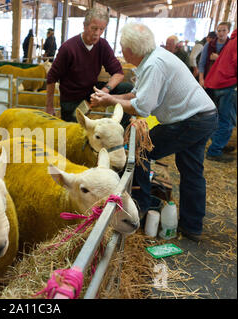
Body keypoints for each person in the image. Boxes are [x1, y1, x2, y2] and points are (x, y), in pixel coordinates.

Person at [90, 22, 218, 242]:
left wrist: (109, 100)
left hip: (191, 120)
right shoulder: (152, 59)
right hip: (202, 116)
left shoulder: (154, 64)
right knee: (191, 171)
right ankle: (191, 226)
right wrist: (108, 99)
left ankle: (140, 206)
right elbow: (136, 96)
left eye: (122, 46)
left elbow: (142, 107)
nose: (120, 50)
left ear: (132, 49)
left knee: (140, 149)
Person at [45, 7, 130, 122]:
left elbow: (118, 73)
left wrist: (104, 91)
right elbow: (51, 78)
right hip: (72, 99)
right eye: (94, 28)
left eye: (101, 29)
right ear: (84, 26)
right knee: (76, 131)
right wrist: (49, 106)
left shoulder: (102, 45)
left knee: (128, 89)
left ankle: (122, 130)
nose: (97, 33)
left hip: (92, 91)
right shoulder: (68, 48)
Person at [205, 28, 237, 163]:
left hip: (218, 83)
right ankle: (215, 150)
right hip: (228, 84)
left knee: (221, 118)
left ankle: (219, 143)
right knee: (227, 120)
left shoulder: (233, 40)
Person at [199, 22, 231, 89]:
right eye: (219, 31)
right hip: (207, 80)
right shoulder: (209, 44)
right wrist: (201, 79)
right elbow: (202, 63)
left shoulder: (231, 46)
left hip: (223, 83)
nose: (221, 33)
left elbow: (231, 65)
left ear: (228, 31)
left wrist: (218, 58)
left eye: (224, 30)